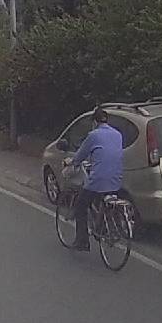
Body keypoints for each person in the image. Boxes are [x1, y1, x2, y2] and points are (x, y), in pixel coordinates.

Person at [65, 106, 123, 252]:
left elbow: (81, 155)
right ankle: (102, 227)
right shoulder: (118, 134)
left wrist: (72, 162)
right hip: (116, 179)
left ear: (94, 122)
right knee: (103, 198)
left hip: (98, 179)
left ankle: (82, 241)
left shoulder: (93, 135)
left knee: (81, 207)